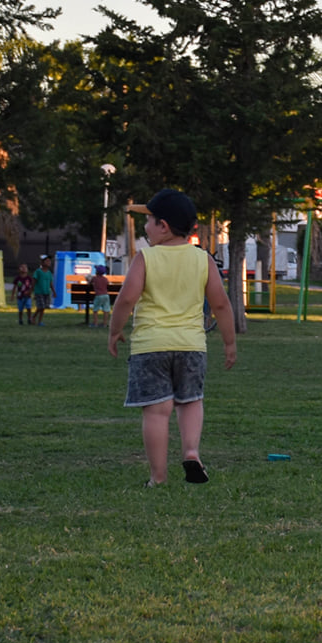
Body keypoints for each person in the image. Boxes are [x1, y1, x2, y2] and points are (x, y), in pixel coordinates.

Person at [108, 189, 237, 486]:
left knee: (157, 411)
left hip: (150, 346)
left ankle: (158, 477)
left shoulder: (146, 258)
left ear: (163, 226)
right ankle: (191, 451)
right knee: (191, 401)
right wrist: (229, 342)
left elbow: (126, 299)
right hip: (191, 346)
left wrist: (115, 331)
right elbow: (220, 304)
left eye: (149, 220)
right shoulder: (203, 259)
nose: (145, 226)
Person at [32, 259, 54, 325]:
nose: (48, 262)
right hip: (39, 292)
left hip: (46, 292)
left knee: (43, 307)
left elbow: (51, 283)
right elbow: (34, 281)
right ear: (42, 263)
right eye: (47, 261)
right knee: (41, 306)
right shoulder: (38, 271)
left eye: (49, 261)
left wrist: (54, 291)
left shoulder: (49, 273)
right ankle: (35, 318)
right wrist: (31, 290)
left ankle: (38, 320)